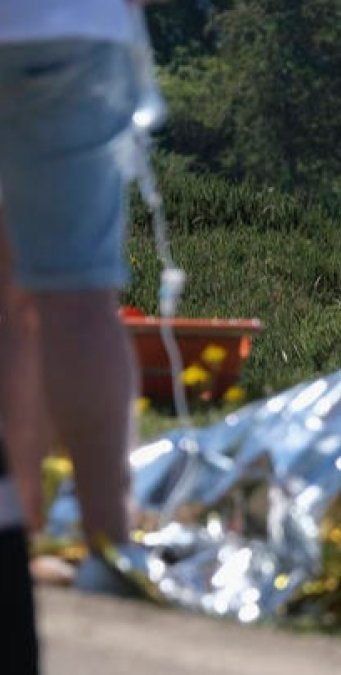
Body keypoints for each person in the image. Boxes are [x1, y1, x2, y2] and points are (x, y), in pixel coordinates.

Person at [1, 1, 148, 670]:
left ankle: (19, 526)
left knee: (8, 296)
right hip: (67, 29)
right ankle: (106, 546)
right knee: (76, 297)